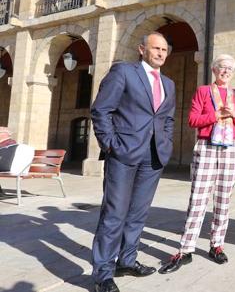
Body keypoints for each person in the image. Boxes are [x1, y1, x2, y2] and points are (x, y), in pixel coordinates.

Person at [90, 32, 175, 292]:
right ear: (142, 49)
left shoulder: (169, 84)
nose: (161, 53)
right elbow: (101, 110)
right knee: (114, 214)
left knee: (138, 213)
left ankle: (127, 260)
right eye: (156, 48)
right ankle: (103, 273)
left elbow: (167, 119)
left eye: (164, 49)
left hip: (153, 157)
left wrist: (167, 144)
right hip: (123, 154)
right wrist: (110, 144)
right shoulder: (124, 72)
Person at [158, 54, 235, 273]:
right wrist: (215, 115)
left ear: (233, 72)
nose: (225, 71)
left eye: (229, 68)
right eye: (221, 67)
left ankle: (216, 245)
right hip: (207, 146)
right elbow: (192, 120)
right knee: (198, 198)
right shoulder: (203, 91)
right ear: (214, 70)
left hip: (230, 148)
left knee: (223, 199)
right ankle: (186, 248)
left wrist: (234, 114)